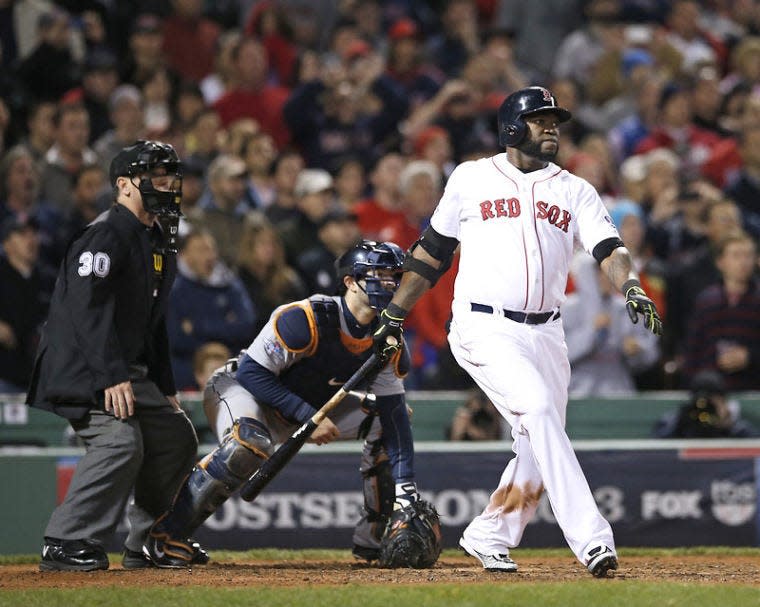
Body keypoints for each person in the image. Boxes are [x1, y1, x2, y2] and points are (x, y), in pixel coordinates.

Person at [372, 86, 663, 577]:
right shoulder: (470, 178)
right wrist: (395, 312)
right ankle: (593, 539)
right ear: (511, 126)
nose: (551, 127)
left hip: (547, 333)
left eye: (555, 120)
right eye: (540, 119)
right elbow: (432, 253)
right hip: (483, 324)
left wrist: (630, 285)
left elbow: (610, 248)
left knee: (535, 443)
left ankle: (490, 533)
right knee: (541, 411)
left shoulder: (573, 189)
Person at [142, 240, 441, 570]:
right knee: (248, 443)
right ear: (350, 282)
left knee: (388, 421)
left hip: (308, 410)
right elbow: (252, 373)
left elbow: (395, 417)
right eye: (381, 275)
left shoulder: (388, 339)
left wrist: (406, 490)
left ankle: (374, 540)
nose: (391, 284)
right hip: (240, 390)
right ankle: (167, 536)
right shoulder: (306, 318)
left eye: (396, 277)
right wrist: (308, 417)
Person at [26, 140, 202, 572]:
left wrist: (164, 387)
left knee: (177, 437)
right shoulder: (107, 233)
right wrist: (109, 375)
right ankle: (66, 540)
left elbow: (153, 319)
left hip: (125, 369)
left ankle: (148, 541)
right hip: (84, 367)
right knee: (120, 442)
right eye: (155, 176)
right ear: (124, 184)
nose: (167, 184)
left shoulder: (155, 237)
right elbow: (86, 310)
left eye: (170, 175)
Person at [653, 370, 760, 438]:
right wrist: (681, 424)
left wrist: (728, 426)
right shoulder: (681, 417)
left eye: (711, 402)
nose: (705, 408)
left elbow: (754, 444)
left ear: (723, 401)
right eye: (700, 402)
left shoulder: (736, 423)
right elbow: (656, 440)